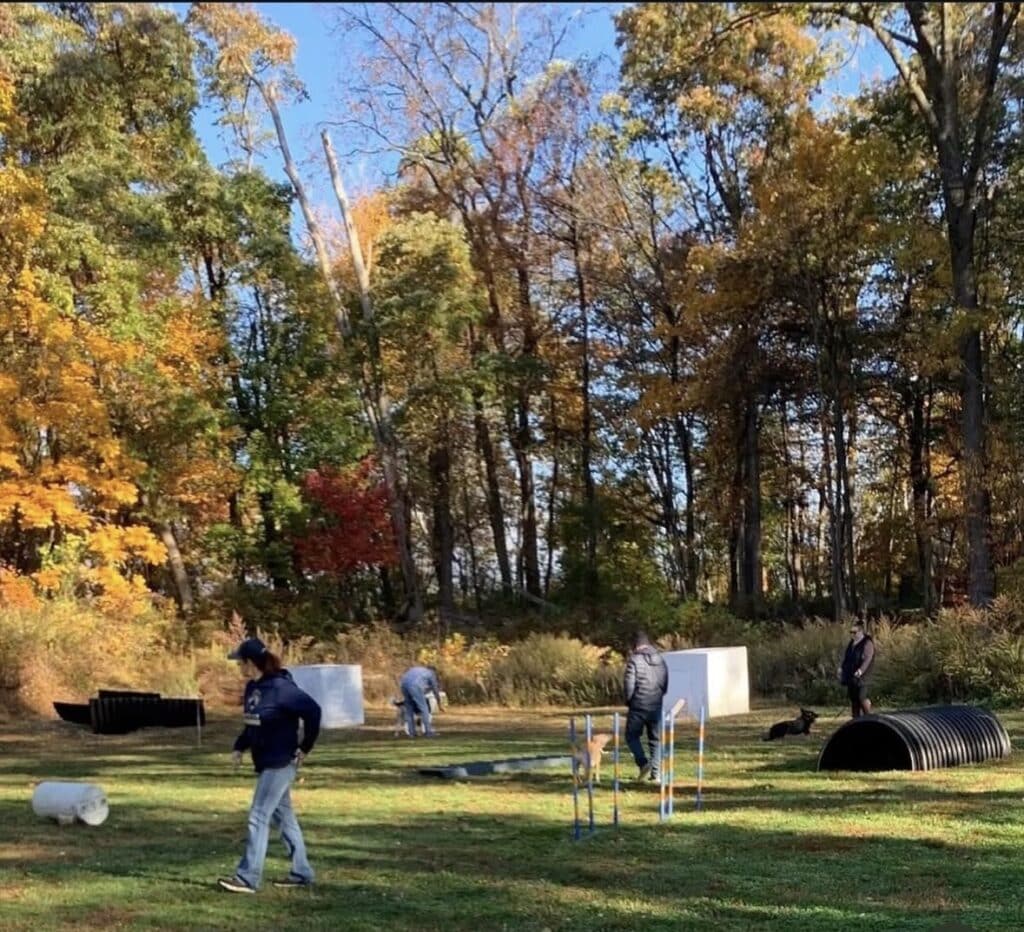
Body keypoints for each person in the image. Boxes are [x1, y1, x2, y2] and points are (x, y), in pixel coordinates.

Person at [217, 637, 322, 894]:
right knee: (284, 818)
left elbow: (314, 711)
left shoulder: (281, 688)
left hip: (280, 761)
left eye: (240, 663)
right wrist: (240, 746)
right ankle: (302, 872)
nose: (238, 668)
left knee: (258, 816)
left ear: (251, 663)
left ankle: (247, 878)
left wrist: (304, 747)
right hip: (265, 761)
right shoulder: (254, 688)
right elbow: (252, 721)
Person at [623, 631, 668, 781]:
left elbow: (629, 685)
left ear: (635, 645)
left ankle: (643, 763)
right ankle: (656, 774)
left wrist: (629, 701)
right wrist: (658, 697)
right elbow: (664, 683)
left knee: (631, 736)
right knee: (655, 739)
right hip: (656, 704)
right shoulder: (661, 660)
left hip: (638, 705)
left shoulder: (634, 660)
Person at [839, 620, 876, 719]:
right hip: (851, 675)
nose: (852, 634)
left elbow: (868, 659)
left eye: (854, 632)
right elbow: (847, 657)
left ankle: (868, 717)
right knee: (853, 699)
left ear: (860, 632)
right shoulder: (852, 643)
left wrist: (860, 671)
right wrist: (842, 668)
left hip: (863, 676)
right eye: (851, 632)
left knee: (861, 697)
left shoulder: (867, 642)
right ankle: (855, 720)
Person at [399, 665, 443, 738]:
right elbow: (435, 690)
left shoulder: (418, 669)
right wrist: (439, 704)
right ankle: (428, 732)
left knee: (409, 710)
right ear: (434, 671)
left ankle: (412, 733)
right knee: (424, 709)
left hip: (404, 684)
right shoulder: (431, 674)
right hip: (415, 686)